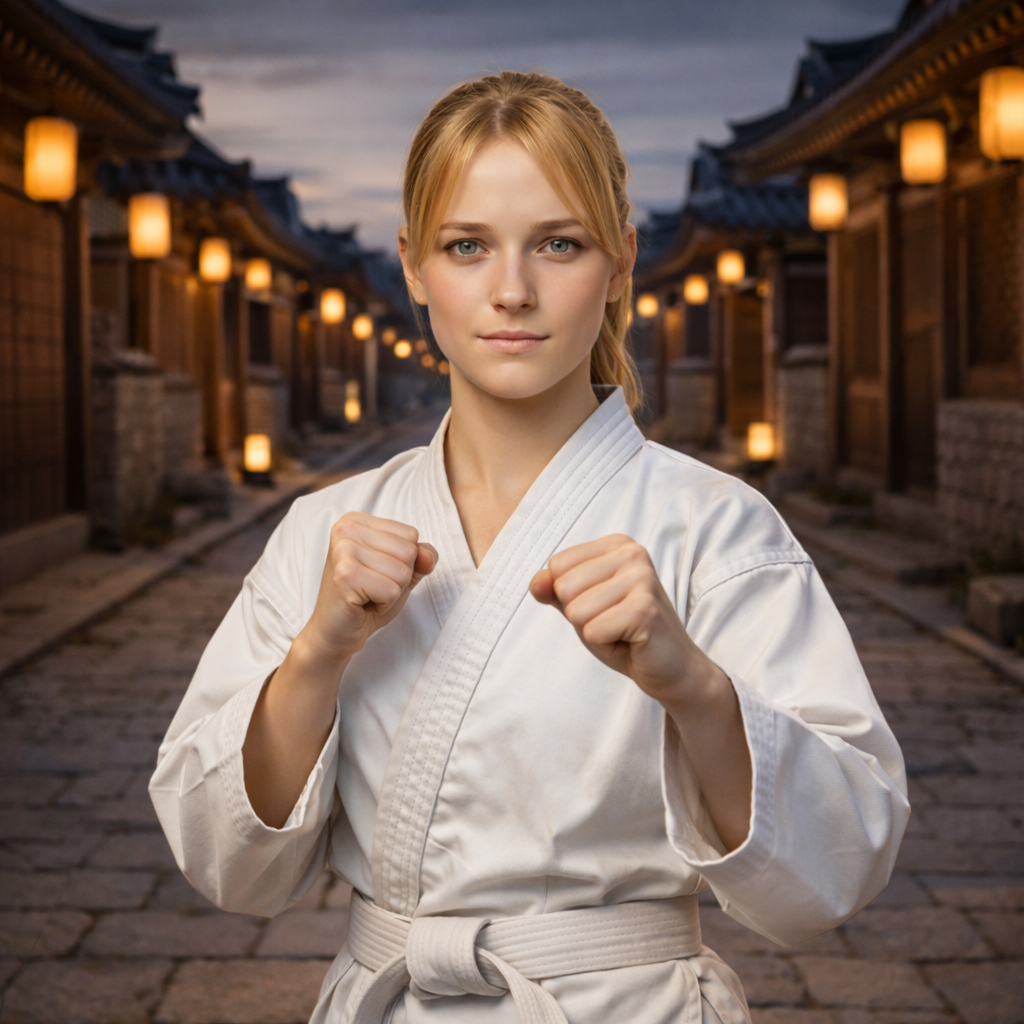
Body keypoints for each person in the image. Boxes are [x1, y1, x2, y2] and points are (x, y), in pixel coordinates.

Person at [150, 71, 909, 1024]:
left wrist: (694, 685)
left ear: (622, 260)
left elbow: (843, 857)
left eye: (560, 243)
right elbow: (223, 860)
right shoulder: (328, 533)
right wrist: (318, 653)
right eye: (467, 246)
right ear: (415, 269)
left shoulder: (716, 525)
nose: (512, 291)